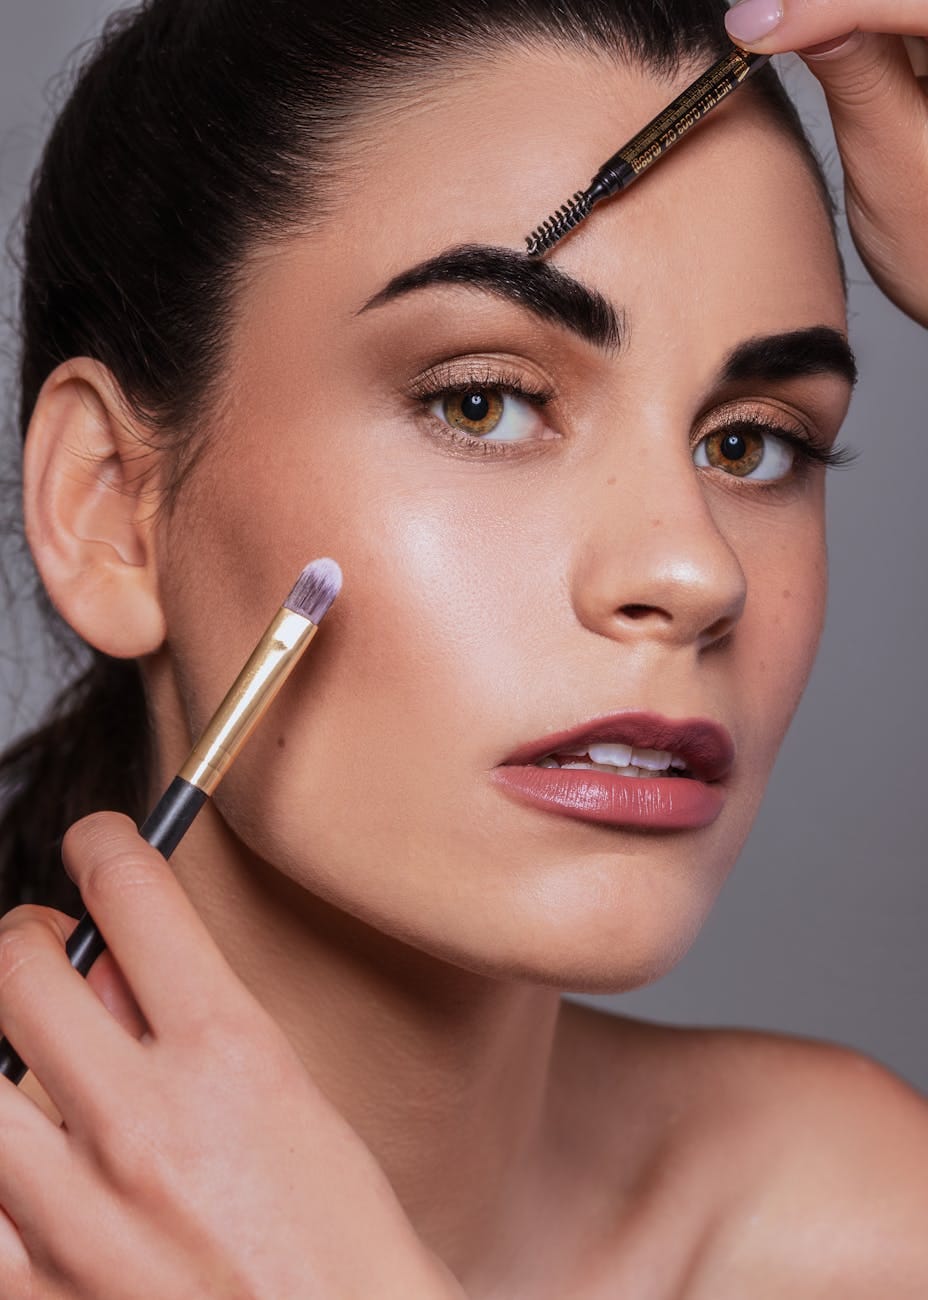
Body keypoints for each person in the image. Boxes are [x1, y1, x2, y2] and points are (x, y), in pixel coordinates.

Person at [0, 0, 925, 1294]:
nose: (692, 568)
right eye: (482, 401)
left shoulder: (860, 1229)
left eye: (752, 442)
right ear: (110, 508)